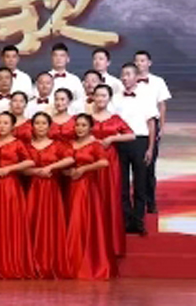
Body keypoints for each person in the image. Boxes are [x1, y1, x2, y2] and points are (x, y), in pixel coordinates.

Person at [0, 112, 36, 279]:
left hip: (11, 185)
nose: (2, 126)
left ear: (13, 126)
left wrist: (9, 169)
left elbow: (30, 161)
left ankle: (11, 261)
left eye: (6, 123)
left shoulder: (18, 143)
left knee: (10, 221)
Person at [24, 112, 74, 279]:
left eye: (43, 123)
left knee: (50, 224)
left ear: (49, 126)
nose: (40, 126)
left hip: (51, 189)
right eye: (37, 123)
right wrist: (36, 171)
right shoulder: (26, 146)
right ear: (32, 126)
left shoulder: (57, 145)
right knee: (30, 221)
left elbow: (70, 159)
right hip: (32, 188)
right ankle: (31, 262)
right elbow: (21, 169)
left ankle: (50, 261)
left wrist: (50, 168)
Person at [64, 114, 113, 280]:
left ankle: (84, 263)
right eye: (77, 125)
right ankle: (70, 262)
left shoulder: (94, 145)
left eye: (83, 125)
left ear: (90, 128)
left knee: (82, 222)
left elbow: (104, 162)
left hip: (87, 187)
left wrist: (84, 169)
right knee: (70, 220)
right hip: (70, 187)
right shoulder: (69, 144)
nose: (80, 128)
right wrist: (68, 172)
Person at [113, 62, 158, 235]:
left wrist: (150, 148)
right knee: (122, 184)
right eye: (123, 74)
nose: (124, 78)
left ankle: (138, 221)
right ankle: (126, 220)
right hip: (120, 142)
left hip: (140, 141)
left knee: (140, 183)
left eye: (128, 74)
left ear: (136, 77)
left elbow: (151, 124)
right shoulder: (115, 97)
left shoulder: (146, 96)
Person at [91, 84, 135, 257]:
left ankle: (111, 244)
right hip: (91, 160)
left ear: (109, 98)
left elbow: (131, 135)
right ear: (93, 97)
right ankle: (92, 241)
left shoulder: (115, 118)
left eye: (104, 96)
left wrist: (112, 139)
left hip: (110, 161)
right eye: (98, 95)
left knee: (109, 197)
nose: (100, 99)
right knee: (91, 198)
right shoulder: (86, 118)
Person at [134, 50, 171, 214]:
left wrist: (161, 126)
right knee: (135, 165)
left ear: (149, 63)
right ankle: (136, 201)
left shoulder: (158, 81)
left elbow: (162, 105)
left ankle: (150, 201)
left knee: (149, 165)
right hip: (133, 125)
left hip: (151, 125)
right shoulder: (129, 80)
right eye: (137, 61)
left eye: (143, 60)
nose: (139, 63)